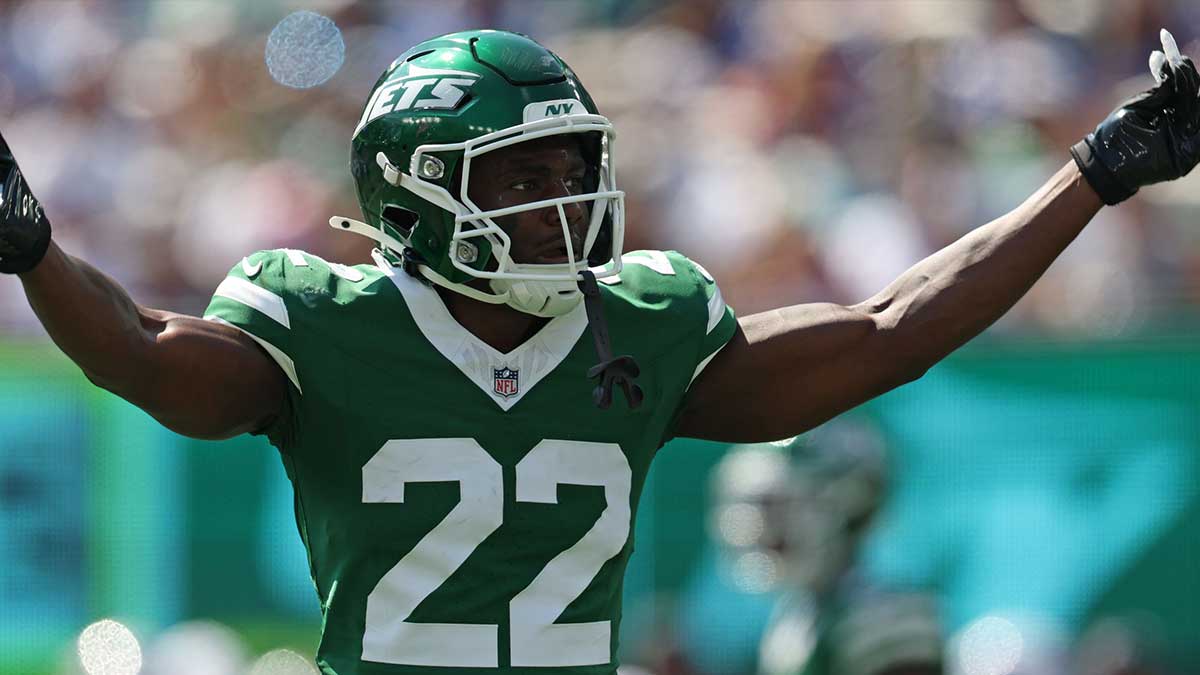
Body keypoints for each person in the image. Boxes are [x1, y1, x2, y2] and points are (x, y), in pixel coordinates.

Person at [0, 27, 1197, 675]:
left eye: (572, 170)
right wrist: (37, 250)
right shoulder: (325, 319)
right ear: (414, 194)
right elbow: (152, 362)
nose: (560, 202)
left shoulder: (644, 318)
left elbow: (891, 330)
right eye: (518, 176)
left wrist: (1091, 177)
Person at [707, 421, 942, 675]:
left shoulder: (886, 618)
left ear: (851, 504)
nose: (761, 527)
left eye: (779, 506)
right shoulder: (797, 613)